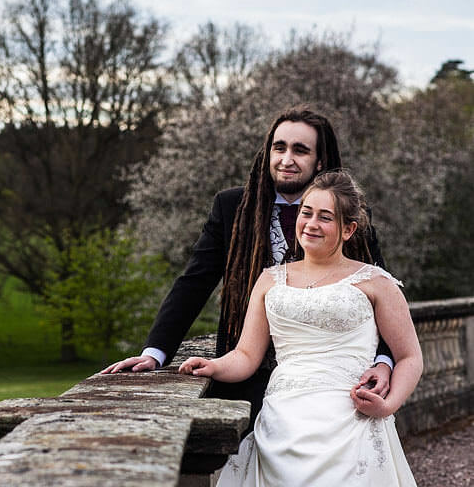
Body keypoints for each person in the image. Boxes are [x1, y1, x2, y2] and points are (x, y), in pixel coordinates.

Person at [102, 106, 393, 427]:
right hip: (243, 373)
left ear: (320, 161)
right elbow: (194, 283)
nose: (286, 159)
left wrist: (383, 363)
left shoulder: (349, 216)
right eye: (279, 147)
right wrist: (154, 352)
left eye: (300, 150)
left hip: (337, 386)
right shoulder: (232, 208)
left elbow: (380, 295)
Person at [178, 171, 421, 485]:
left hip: (351, 418)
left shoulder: (376, 282)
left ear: (348, 229)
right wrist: (212, 366)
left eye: (325, 217)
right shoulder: (270, 279)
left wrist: (387, 405)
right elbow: (246, 355)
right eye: (306, 213)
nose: (311, 223)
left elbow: (410, 357)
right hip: (283, 419)